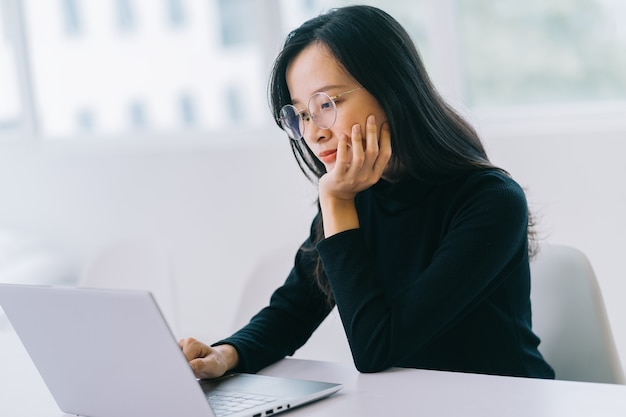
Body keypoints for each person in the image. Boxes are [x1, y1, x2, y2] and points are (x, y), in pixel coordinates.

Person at [179, 5, 555, 380]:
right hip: (411, 405)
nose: (314, 132)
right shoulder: (354, 196)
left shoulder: (492, 201)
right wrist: (225, 354)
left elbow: (378, 347)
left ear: (390, 88)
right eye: (302, 115)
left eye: (326, 104)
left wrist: (337, 203)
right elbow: (294, 309)